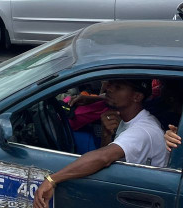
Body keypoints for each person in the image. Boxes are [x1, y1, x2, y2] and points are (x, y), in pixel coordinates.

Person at [33, 79, 166, 208]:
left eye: (118, 87)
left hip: (141, 197)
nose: (108, 88)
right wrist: (106, 134)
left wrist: (52, 180)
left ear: (137, 97)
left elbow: (103, 157)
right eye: (111, 83)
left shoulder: (141, 131)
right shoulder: (129, 118)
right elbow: (107, 156)